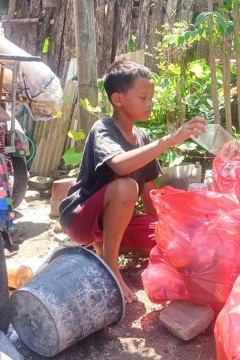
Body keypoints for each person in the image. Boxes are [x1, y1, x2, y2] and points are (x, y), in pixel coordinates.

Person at [59, 60, 206, 303]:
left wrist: (162, 230)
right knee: (126, 186)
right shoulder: (103, 128)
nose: (149, 103)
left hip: (113, 223)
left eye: (151, 97)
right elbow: (121, 165)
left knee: (175, 240)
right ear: (118, 99)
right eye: (143, 97)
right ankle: (110, 267)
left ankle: (104, 250)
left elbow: (149, 191)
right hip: (80, 218)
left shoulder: (144, 137)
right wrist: (170, 139)